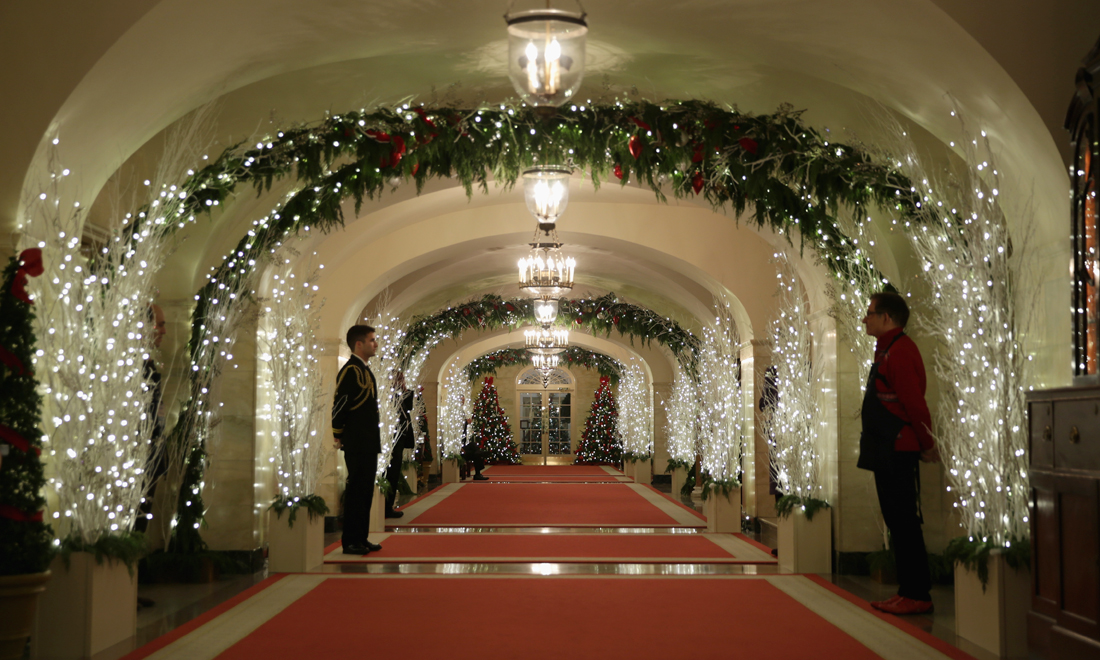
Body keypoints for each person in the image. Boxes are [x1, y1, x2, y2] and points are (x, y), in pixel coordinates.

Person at [858, 292, 940, 616]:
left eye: (870, 313)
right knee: (896, 521)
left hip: (897, 448)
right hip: (884, 448)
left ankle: (918, 592)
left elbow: (914, 404)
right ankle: (907, 590)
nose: (865, 319)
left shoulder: (901, 351)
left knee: (905, 521)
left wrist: (927, 443)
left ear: (887, 318)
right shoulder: (886, 350)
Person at [332, 325, 384, 555]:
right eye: (372, 340)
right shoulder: (351, 370)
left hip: (367, 441)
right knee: (356, 492)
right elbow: (340, 404)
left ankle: (361, 538)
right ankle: (350, 541)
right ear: (359, 344)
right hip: (356, 441)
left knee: (365, 491)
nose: (376, 344)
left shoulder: (365, 370)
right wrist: (338, 433)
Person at [383, 371, 414, 519]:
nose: (401, 381)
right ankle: (385, 507)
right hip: (390, 438)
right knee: (390, 472)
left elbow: (408, 407)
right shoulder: (386, 394)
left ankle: (388, 506)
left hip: (400, 438)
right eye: (399, 379)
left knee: (394, 473)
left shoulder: (402, 394)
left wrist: (405, 389)